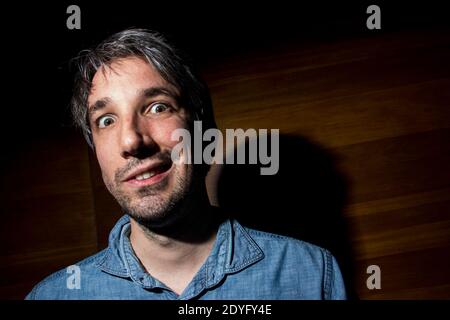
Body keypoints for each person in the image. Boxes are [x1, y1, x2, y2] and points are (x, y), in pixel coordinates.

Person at [26, 28, 346, 300]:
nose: (132, 141)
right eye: (106, 120)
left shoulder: (313, 275)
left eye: (157, 107)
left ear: (204, 131)